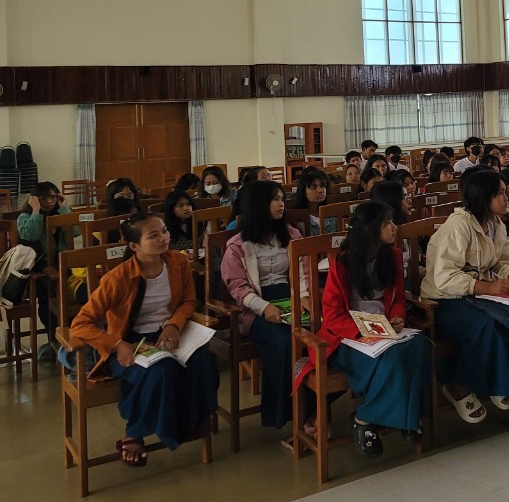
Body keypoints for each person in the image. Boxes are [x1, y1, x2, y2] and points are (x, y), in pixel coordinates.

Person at [70, 212, 219, 465]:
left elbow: (188, 301)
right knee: (162, 370)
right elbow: (79, 324)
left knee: (204, 361)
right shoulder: (117, 278)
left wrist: (174, 324)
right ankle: (135, 431)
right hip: (130, 343)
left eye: (164, 231)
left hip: (169, 334)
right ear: (134, 246)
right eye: (154, 235)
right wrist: (116, 345)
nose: (163, 238)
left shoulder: (178, 263)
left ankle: (190, 420)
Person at [424, 169, 509, 423]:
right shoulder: (458, 227)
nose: (507, 198)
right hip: (445, 300)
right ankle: (459, 384)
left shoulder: (495, 224)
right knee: (490, 324)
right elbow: (445, 277)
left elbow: (501, 262)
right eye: (500, 194)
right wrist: (487, 288)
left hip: (478, 295)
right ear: (484, 198)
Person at [303, 201, 431, 454]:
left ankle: (373, 416)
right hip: (349, 334)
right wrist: (364, 330)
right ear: (371, 230)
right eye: (387, 224)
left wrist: (397, 319)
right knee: (393, 359)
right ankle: (374, 420)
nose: (395, 228)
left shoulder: (391, 256)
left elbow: (397, 300)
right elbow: (332, 315)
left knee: (420, 346)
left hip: (384, 328)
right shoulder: (341, 263)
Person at [221, 180, 303, 432]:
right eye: (274, 199)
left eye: (282, 198)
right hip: (255, 308)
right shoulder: (237, 245)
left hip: (291, 299)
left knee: (317, 335)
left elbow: (304, 270)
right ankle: (285, 413)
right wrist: (264, 308)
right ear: (257, 205)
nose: (281, 204)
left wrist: (306, 295)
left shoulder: (291, 235)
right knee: (283, 341)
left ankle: (312, 407)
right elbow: (237, 288)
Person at [18, 182, 71, 346]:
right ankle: (53, 338)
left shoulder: (60, 214)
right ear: (34, 199)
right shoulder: (25, 217)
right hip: (39, 266)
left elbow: (75, 231)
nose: (49, 202)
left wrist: (65, 209)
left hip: (62, 263)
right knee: (47, 299)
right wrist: (35, 210)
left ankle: (69, 335)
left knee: (70, 297)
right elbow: (31, 235)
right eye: (44, 198)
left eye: (53, 197)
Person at [289, 167, 336, 234]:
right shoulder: (297, 218)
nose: (320, 191)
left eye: (322, 186)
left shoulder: (332, 212)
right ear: (303, 192)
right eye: (313, 187)